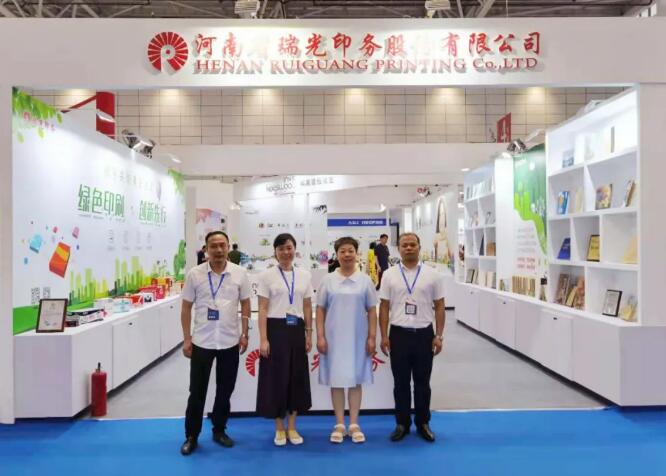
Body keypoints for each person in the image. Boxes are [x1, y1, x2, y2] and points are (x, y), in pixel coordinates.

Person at [180, 231, 251, 456]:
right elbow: (186, 308)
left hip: (229, 341)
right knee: (197, 391)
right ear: (206, 249)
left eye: (222, 245)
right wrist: (187, 338)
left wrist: (245, 333)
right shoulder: (195, 274)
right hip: (202, 341)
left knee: (225, 390)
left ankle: (219, 430)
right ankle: (191, 436)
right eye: (214, 246)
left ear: (228, 247)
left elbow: (246, 304)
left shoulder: (240, 273)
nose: (218, 250)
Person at [379, 232, 446, 443]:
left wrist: (439, 336)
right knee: (400, 383)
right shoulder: (389, 275)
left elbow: (440, 305)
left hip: (424, 335)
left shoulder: (433, 274)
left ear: (419, 247)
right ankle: (402, 423)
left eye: (412, 244)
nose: (408, 248)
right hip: (398, 334)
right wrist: (384, 336)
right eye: (404, 245)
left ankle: (423, 422)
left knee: (422, 383)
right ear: (398, 249)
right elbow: (384, 306)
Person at [317, 237, 377, 444]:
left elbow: (372, 310)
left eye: (350, 250)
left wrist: (372, 337)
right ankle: (339, 424)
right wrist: (320, 336)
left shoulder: (365, 281)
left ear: (356, 253)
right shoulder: (327, 280)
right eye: (342, 251)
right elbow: (320, 309)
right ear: (337, 255)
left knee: (355, 380)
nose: (347, 254)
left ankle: (354, 424)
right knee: (336, 380)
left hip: (357, 337)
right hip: (333, 338)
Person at [256, 233, 313, 446]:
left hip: (296, 329)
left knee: (296, 377)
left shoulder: (304, 275)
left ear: (295, 249)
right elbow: (262, 308)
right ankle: (279, 427)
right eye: (281, 249)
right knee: (276, 379)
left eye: (289, 248)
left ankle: (292, 426)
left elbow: (307, 306)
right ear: (275, 252)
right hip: (275, 329)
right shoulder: (266, 276)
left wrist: (309, 333)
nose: (285, 252)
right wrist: (263, 339)